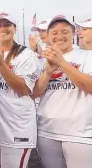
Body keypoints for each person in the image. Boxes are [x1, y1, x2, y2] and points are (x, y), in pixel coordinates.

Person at [31, 15, 92, 168]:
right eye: (54, 32)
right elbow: (35, 93)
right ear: (48, 36)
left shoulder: (87, 56)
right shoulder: (40, 60)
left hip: (80, 133)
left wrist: (62, 63)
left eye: (65, 32)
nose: (59, 36)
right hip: (47, 131)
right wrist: (47, 73)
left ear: (73, 33)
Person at [0, 12, 40, 168]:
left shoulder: (26, 54)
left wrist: (1, 65)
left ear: (15, 29)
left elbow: (23, 89)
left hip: (17, 129)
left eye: (7, 25)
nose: (2, 28)